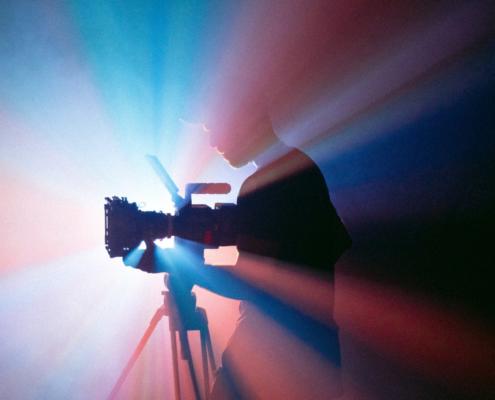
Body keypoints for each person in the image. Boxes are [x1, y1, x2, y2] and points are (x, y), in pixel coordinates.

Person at [186, 95, 352, 399]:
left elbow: (252, 282)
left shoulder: (262, 185)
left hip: (270, 364)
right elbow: (335, 244)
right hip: (317, 358)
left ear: (244, 120)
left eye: (214, 128)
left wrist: (189, 269)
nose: (212, 142)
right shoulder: (302, 167)